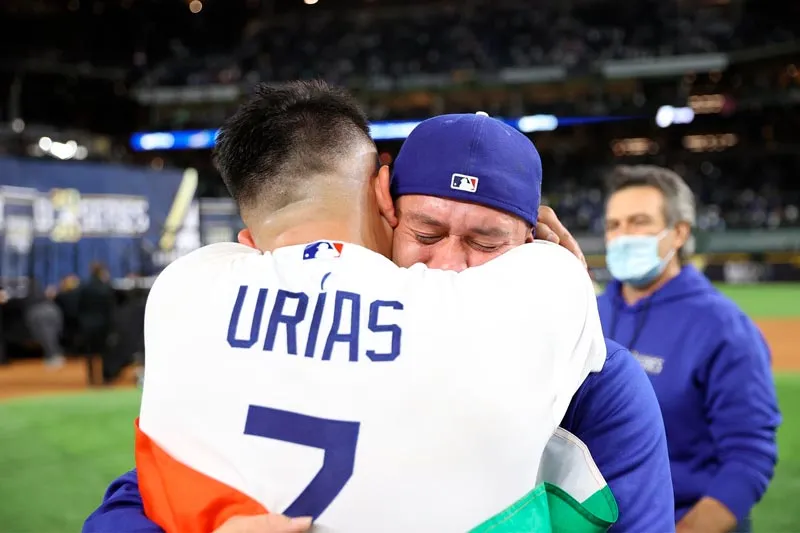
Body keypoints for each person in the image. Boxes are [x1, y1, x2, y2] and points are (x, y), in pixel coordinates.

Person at [84, 97, 674, 533]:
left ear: (536, 240)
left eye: (486, 242)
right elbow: (132, 504)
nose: (448, 264)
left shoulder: (602, 389)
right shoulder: (290, 332)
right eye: (426, 231)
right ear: (385, 209)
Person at [598, 165, 780, 533]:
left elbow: (749, 457)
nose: (622, 237)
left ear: (678, 232)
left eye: (639, 222)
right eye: (614, 225)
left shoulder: (723, 327)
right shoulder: (590, 313)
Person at [77, 262, 116, 384]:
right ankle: (105, 378)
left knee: (89, 354)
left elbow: (79, 307)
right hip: (103, 325)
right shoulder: (106, 288)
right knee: (105, 353)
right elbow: (110, 309)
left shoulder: (84, 287)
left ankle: (91, 379)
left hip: (87, 325)